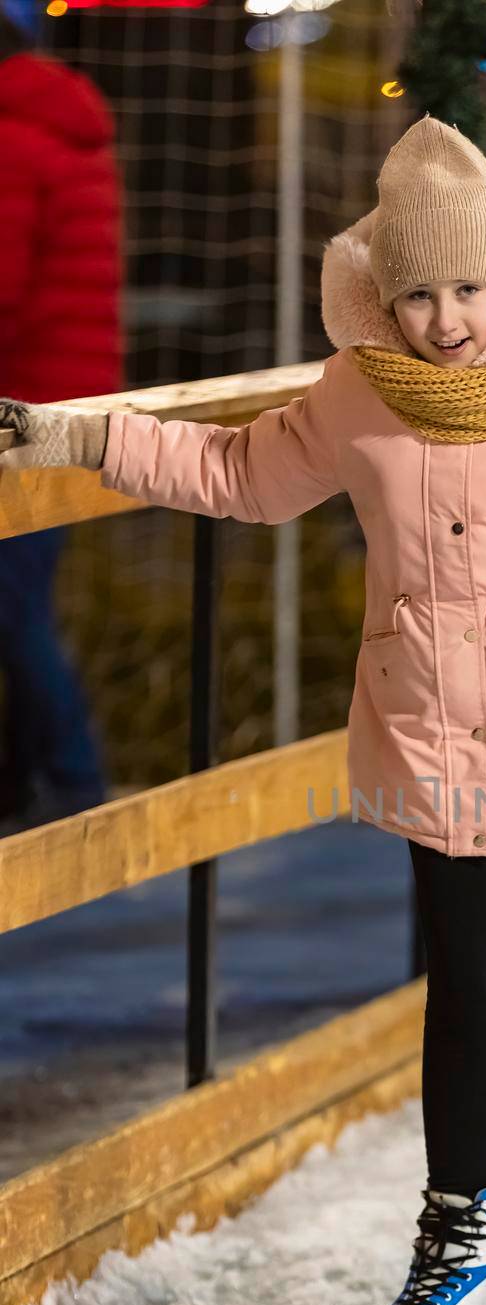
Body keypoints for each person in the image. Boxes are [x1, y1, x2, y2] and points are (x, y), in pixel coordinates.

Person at [0, 114, 486, 1305]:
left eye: (469, 290)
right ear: (387, 295)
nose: (446, 318)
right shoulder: (358, 391)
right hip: (436, 734)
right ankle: (459, 1245)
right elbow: (238, 471)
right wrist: (83, 433)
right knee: (468, 992)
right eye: (420, 293)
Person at [0, 12, 119, 831]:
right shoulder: (63, 127)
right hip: (68, 404)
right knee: (19, 601)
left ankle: (75, 783)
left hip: (20, 412)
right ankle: (39, 783)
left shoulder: (12, 141)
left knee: (12, 607)